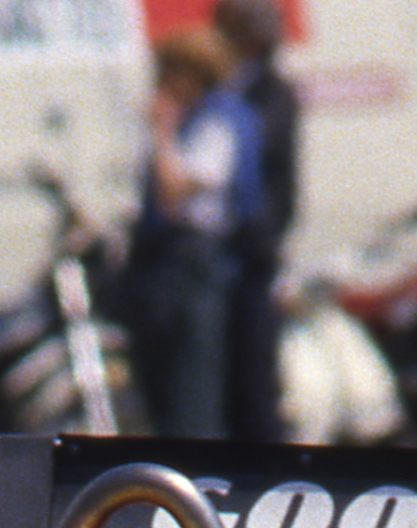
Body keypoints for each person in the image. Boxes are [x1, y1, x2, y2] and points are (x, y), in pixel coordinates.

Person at [119, 26, 261, 441]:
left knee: (190, 392)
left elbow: (175, 194)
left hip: (192, 266)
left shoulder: (218, 123)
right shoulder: (197, 123)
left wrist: (161, 130)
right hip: (168, 267)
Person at [215, 0, 301, 442]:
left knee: (253, 374)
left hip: (251, 254)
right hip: (220, 257)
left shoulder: (271, 93)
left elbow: (268, 171)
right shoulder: (225, 89)